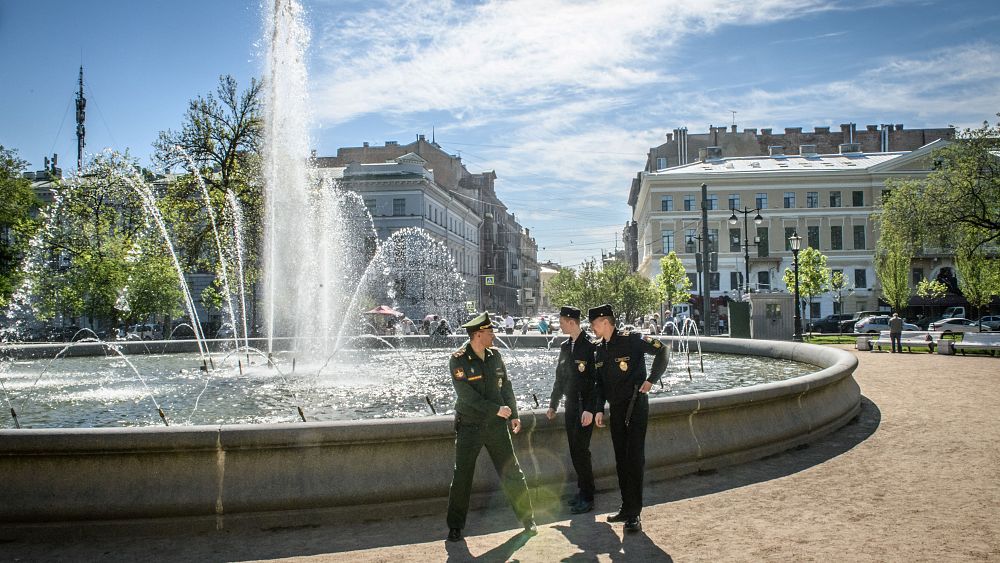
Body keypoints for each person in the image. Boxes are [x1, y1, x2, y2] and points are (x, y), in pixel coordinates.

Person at [446, 311, 536, 542]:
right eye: (489, 332)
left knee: (512, 472)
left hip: (496, 427)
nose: (494, 335)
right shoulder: (458, 359)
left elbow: (505, 386)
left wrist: (513, 414)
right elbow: (466, 396)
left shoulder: (494, 356)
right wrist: (496, 409)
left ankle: (528, 520)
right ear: (477, 335)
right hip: (470, 426)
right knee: (463, 476)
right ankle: (455, 526)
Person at [589, 303, 667, 533]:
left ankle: (635, 514)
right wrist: (598, 409)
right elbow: (599, 384)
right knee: (621, 461)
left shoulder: (631, 339)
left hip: (635, 406)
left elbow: (663, 350)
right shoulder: (599, 349)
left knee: (633, 459)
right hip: (616, 409)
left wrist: (652, 379)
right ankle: (626, 508)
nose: (592, 328)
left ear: (605, 322)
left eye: (594, 324)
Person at [545, 306, 597, 514]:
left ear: (571, 322)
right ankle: (582, 491)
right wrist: (553, 404)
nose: (559, 325)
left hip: (585, 406)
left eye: (561, 321)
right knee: (575, 450)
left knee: (582, 451)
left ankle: (589, 496)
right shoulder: (566, 347)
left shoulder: (590, 346)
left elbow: (595, 383)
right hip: (571, 406)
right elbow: (560, 378)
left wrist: (591, 409)